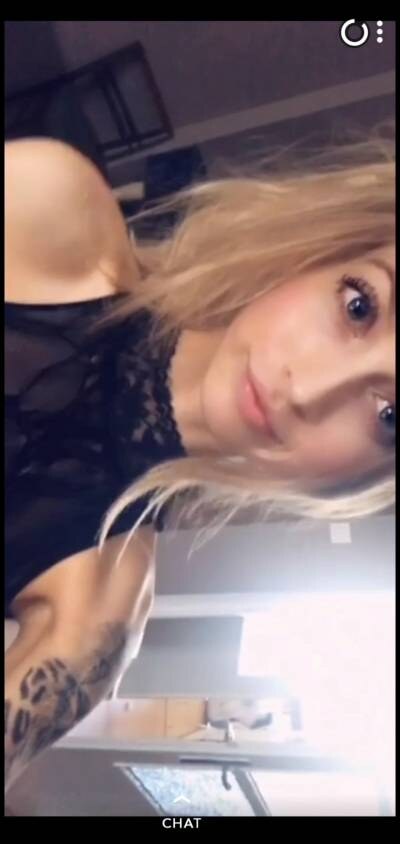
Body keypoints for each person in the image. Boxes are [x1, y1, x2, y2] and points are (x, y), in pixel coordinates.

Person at [5, 127, 395, 792]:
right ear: (319, 254)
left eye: (391, 416)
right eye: (359, 305)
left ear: (368, 479)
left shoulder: (93, 623)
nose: (308, 390)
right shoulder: (51, 208)